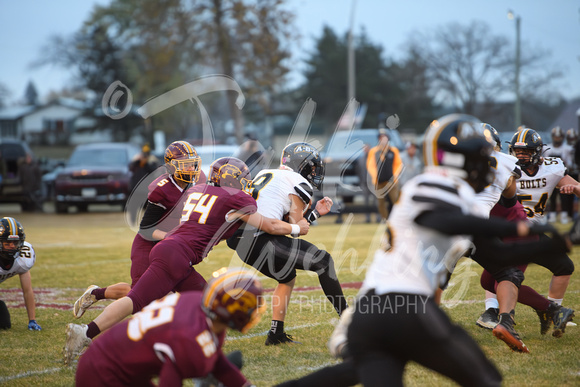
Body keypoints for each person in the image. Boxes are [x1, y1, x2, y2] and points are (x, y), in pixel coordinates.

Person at [275, 114, 571, 387]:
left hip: (375, 314)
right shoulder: (431, 184)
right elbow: (439, 219)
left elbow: (499, 256)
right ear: (458, 159)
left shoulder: (463, 197)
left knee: (356, 372)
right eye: (481, 158)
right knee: (486, 379)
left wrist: (552, 243)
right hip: (403, 307)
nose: (489, 166)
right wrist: (520, 229)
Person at [64, 157, 309, 365]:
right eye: (242, 178)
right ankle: (85, 332)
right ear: (232, 180)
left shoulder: (197, 190)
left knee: (208, 303)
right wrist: (298, 228)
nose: (246, 182)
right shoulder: (235, 199)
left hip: (174, 253)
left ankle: (193, 349)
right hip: (176, 255)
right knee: (136, 300)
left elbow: (223, 224)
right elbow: (270, 224)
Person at [227, 142, 348, 345]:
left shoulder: (267, 173)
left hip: (240, 240)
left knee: (287, 277)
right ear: (302, 165)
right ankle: (348, 321)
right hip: (262, 237)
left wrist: (313, 213)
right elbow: (296, 227)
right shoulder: (297, 181)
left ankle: (276, 334)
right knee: (324, 262)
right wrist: (315, 213)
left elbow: (289, 225)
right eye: (312, 167)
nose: (314, 172)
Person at [73, 141, 207, 318]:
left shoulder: (199, 181)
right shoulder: (163, 190)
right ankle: (95, 294)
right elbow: (145, 228)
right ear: (171, 167)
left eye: (193, 163)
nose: (191, 169)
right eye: (185, 165)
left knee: (201, 293)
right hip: (149, 245)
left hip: (173, 249)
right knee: (139, 295)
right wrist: (171, 237)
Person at [75, 268, 262, 387]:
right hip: (101, 373)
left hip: (117, 366)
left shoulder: (199, 306)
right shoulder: (189, 337)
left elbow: (219, 363)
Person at [476, 127, 576, 337]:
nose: (520, 156)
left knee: (561, 266)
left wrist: (572, 189)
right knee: (491, 280)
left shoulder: (553, 168)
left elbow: (574, 185)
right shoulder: (505, 166)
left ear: (538, 152)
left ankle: (551, 311)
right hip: (508, 228)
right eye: (517, 151)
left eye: (526, 151)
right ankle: (551, 311)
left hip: (528, 229)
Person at [0, 217, 41, 331]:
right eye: (7, 242)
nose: (12, 246)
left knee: (4, 323)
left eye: (15, 242)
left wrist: (32, 320)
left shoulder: (23, 258)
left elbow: (27, 290)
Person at [366, 128, 403, 221]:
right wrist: (375, 176)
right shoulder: (374, 151)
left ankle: (397, 219)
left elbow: (398, 164)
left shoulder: (393, 150)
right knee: (381, 203)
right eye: (381, 138)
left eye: (385, 137)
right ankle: (385, 219)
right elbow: (371, 165)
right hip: (379, 181)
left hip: (391, 181)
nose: (383, 140)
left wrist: (394, 176)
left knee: (395, 200)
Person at [544, 127, 573, 223]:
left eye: (559, 137)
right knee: (551, 196)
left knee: (564, 196)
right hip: (550, 176)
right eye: (555, 137)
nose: (557, 139)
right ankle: (552, 214)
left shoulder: (567, 149)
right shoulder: (547, 148)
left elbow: (569, 163)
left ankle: (564, 215)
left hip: (562, 176)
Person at [128, 144, 160, 224]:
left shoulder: (152, 160)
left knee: (150, 208)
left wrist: (146, 163)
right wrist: (136, 160)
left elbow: (153, 171)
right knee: (134, 207)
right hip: (136, 188)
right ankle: (133, 221)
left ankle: (149, 223)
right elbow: (130, 168)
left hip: (147, 189)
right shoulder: (137, 160)